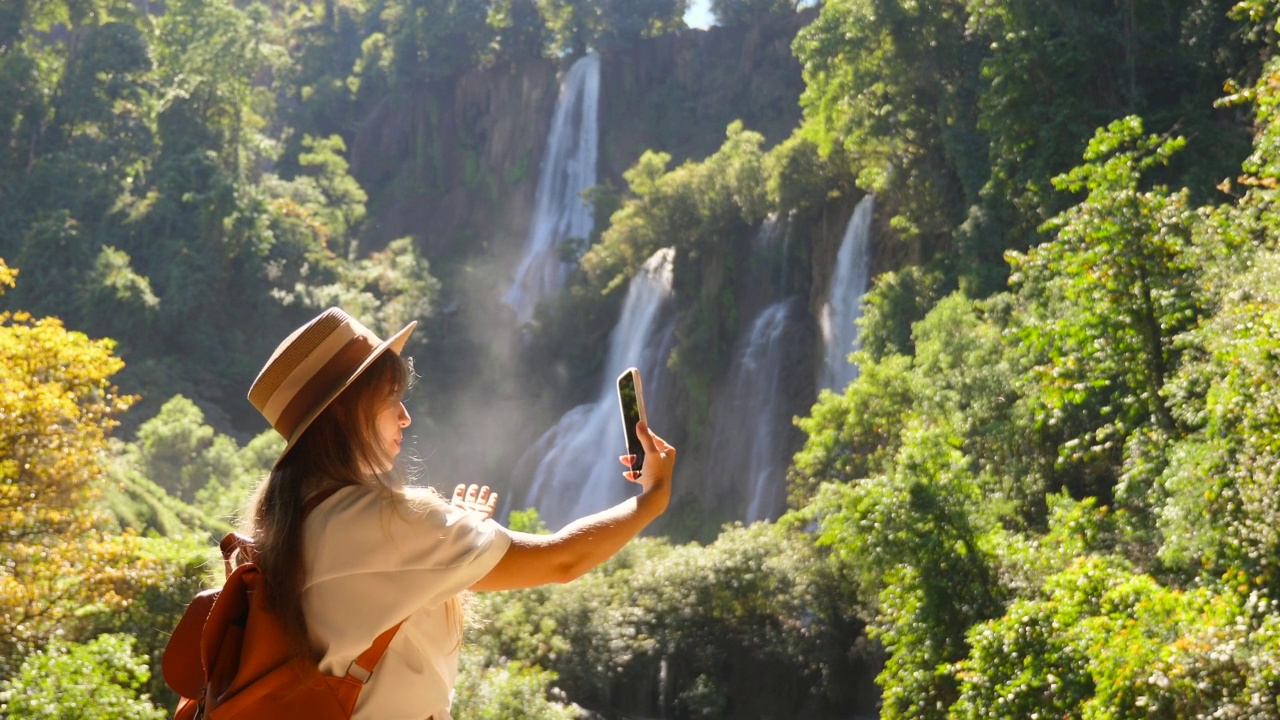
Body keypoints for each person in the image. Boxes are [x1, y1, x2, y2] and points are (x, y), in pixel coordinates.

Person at [243, 307, 675, 720]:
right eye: (392, 398)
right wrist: (651, 498)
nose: (406, 417)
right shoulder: (391, 523)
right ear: (343, 409)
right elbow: (563, 559)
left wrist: (454, 538)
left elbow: (378, 601)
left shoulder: (280, 520)